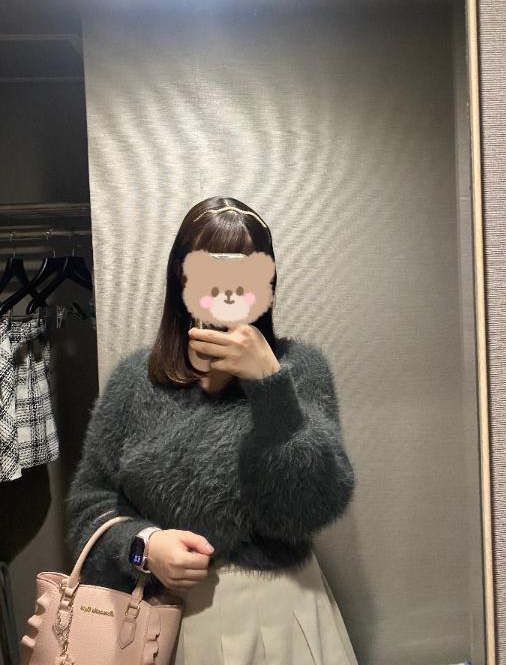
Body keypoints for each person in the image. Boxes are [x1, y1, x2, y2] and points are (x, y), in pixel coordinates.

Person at [65, 196, 359, 665]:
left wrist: (269, 385)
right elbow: (89, 508)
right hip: (166, 624)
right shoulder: (133, 383)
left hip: (283, 613)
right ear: (181, 279)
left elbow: (311, 509)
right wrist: (144, 548)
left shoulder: (299, 370)